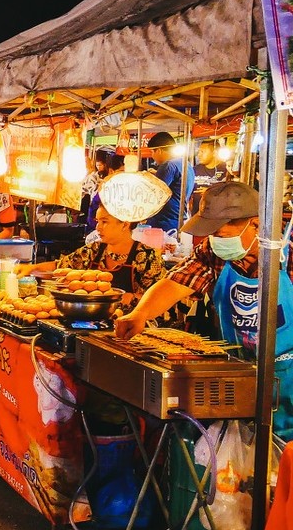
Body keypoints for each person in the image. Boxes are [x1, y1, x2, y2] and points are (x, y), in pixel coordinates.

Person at [116, 181, 293, 438]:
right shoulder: (214, 252)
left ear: (256, 224)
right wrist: (140, 313)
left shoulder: (288, 255)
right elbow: (177, 282)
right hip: (237, 375)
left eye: (221, 232)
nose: (214, 240)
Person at [20, 205, 164, 311]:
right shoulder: (94, 250)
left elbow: (159, 299)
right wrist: (32, 268)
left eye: (105, 222)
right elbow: (61, 267)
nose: (98, 227)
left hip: (133, 326)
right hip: (92, 320)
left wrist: (129, 298)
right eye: (97, 221)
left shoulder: (148, 256)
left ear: (125, 224)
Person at [145, 132, 194, 233]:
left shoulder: (168, 165)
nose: (152, 156)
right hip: (179, 220)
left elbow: (155, 194)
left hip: (163, 222)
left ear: (159, 150)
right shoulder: (186, 164)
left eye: (152, 152)